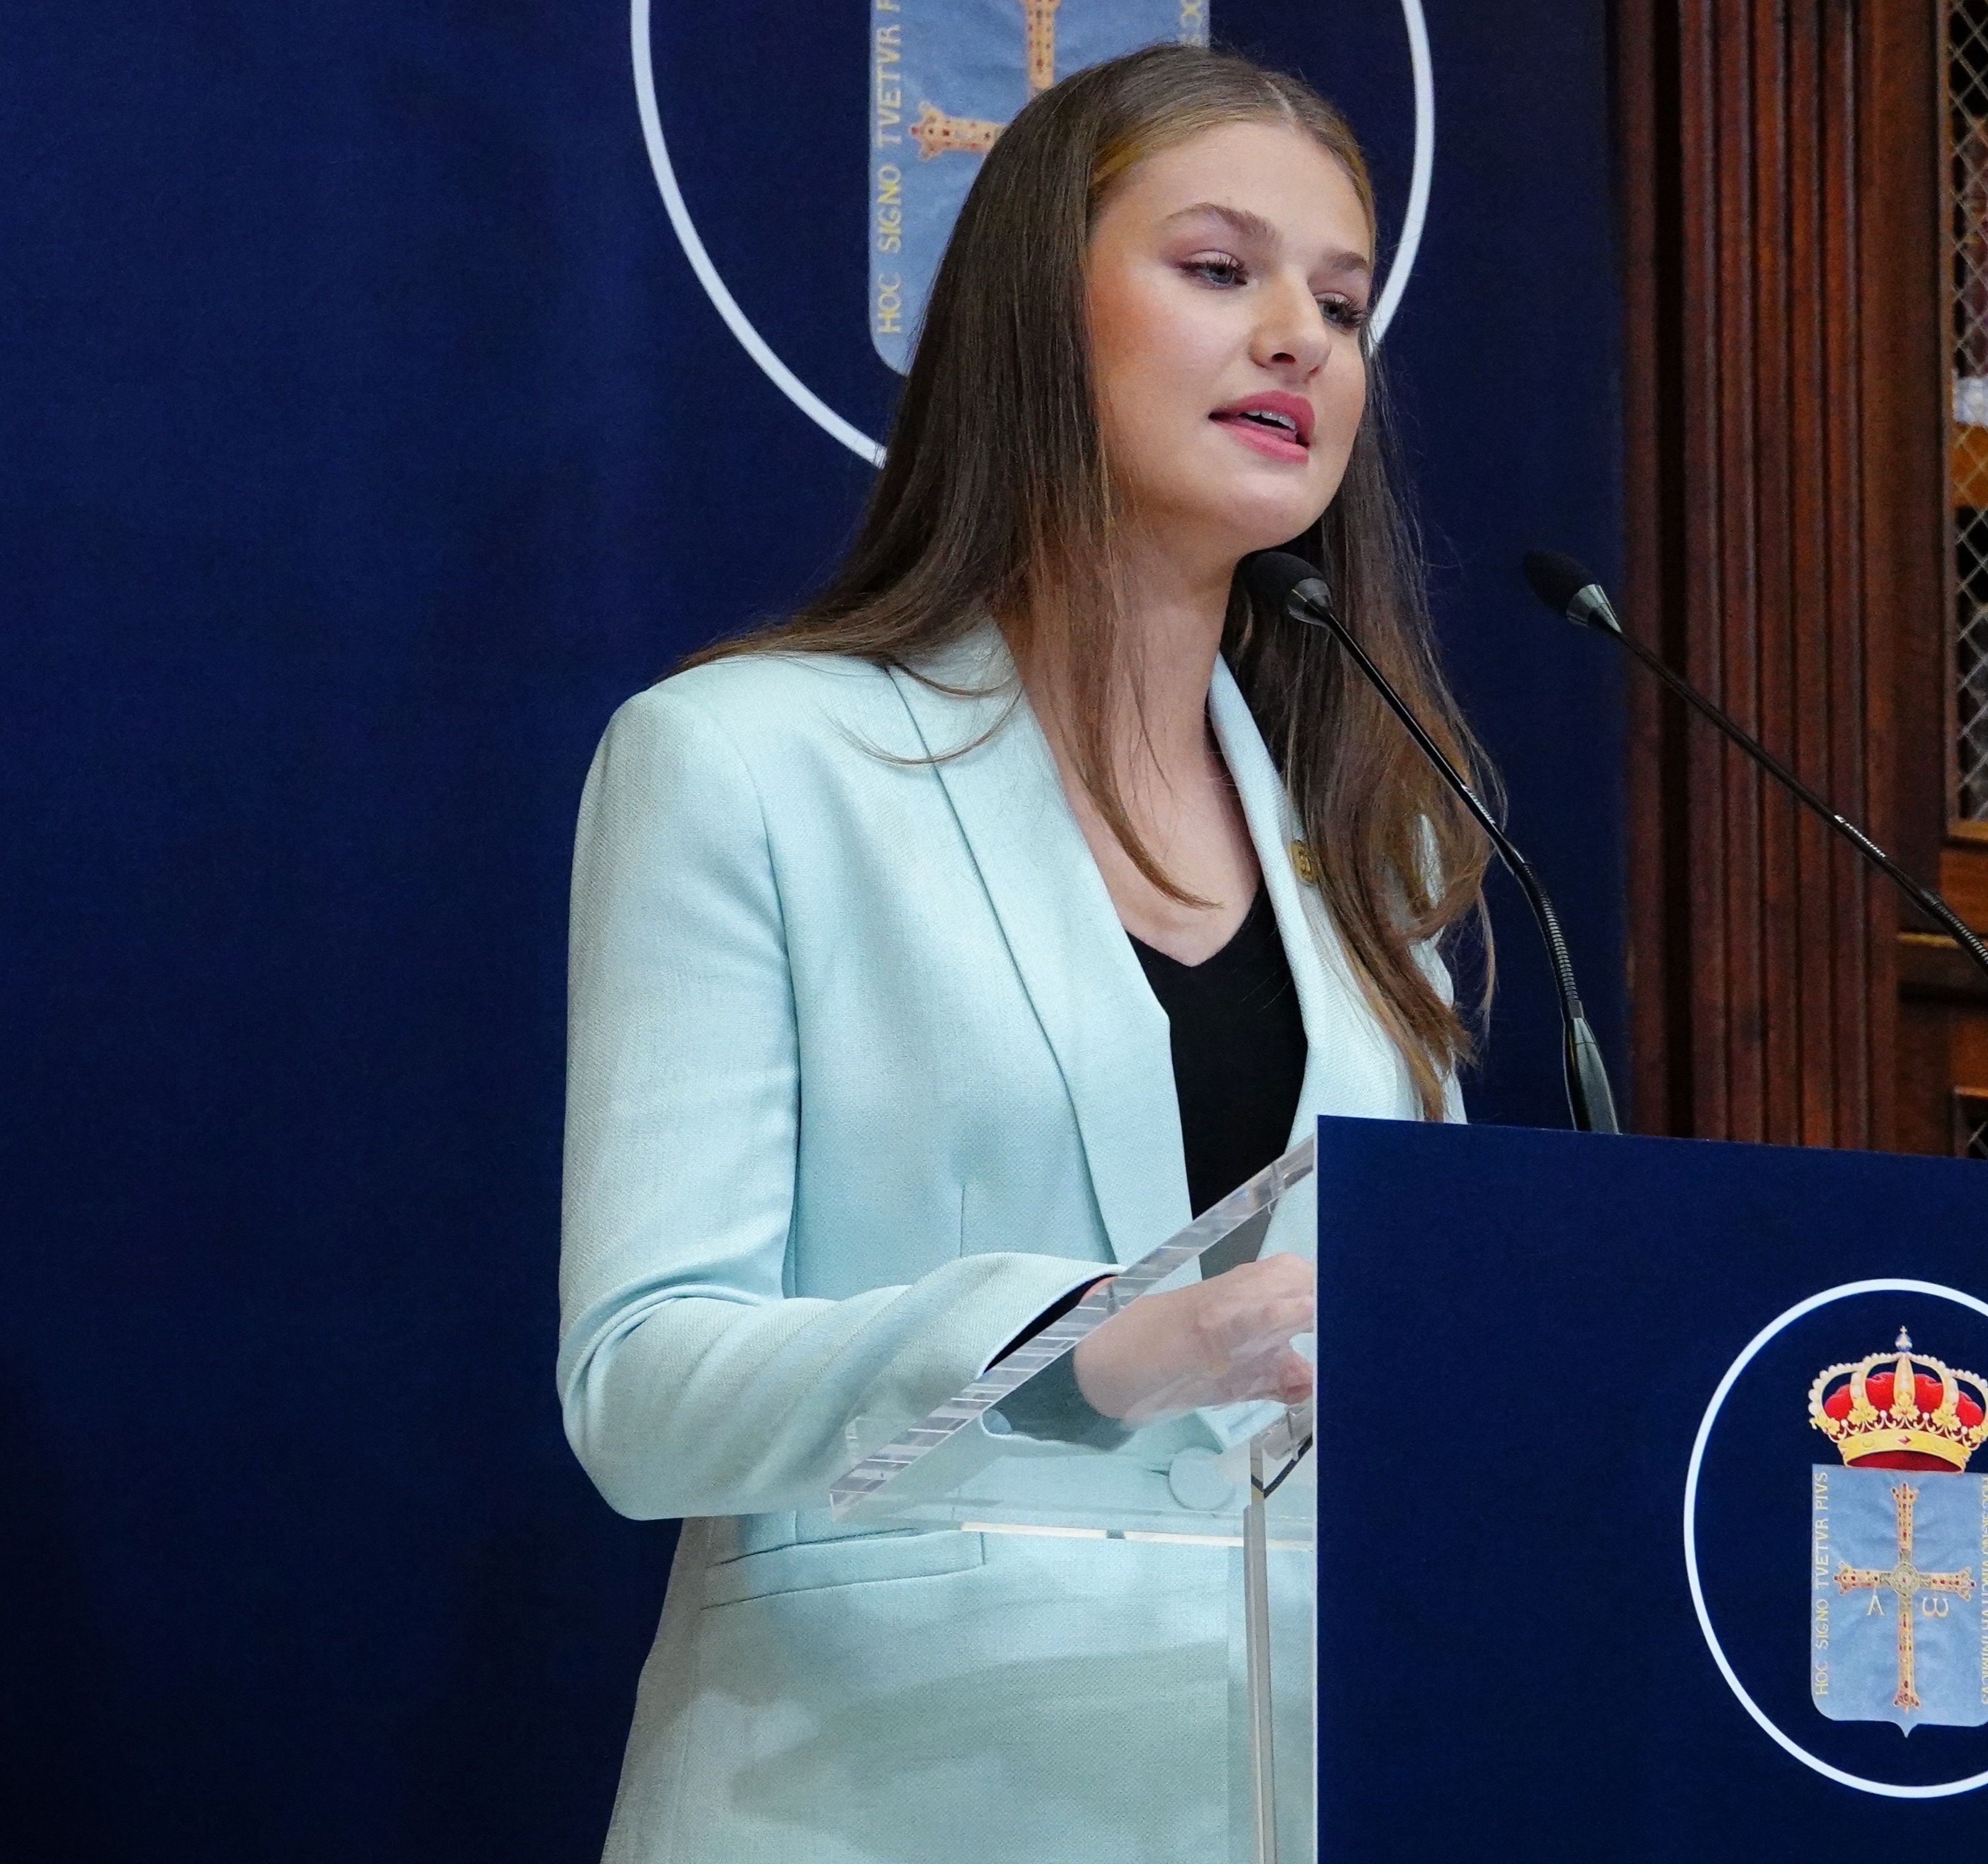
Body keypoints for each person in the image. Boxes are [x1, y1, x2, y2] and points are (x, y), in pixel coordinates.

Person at [556, 43, 1486, 1863]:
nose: (1298, 334)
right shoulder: (749, 762)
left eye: (1343, 300)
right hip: (880, 1791)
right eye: (1221, 270)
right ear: (1031, 322)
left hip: (1299, 1785)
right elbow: (643, 1386)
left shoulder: (1390, 836)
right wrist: (1089, 1347)